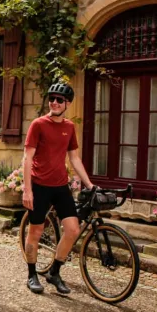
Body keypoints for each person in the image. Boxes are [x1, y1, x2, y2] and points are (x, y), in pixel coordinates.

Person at [22, 82, 94, 295]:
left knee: (73, 229)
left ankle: (54, 271)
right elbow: (27, 157)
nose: (54, 102)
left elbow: (74, 158)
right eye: (51, 98)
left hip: (60, 185)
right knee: (36, 230)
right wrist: (27, 190)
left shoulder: (69, 127)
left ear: (67, 104)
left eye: (59, 100)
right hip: (39, 186)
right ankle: (32, 274)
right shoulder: (38, 124)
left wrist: (89, 184)